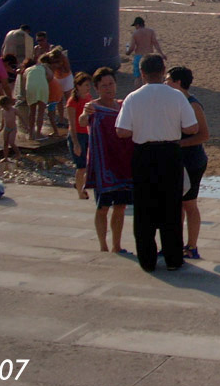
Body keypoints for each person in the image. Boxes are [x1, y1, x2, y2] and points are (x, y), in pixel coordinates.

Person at [115, 55, 198, 273]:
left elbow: (122, 131)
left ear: (142, 73)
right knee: (171, 207)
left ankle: (147, 260)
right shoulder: (177, 97)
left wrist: (142, 126)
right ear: (162, 71)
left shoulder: (132, 97)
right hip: (170, 152)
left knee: (144, 208)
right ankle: (173, 258)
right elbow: (192, 127)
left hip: (144, 153)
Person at [84, 68, 132, 254]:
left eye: (111, 84)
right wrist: (85, 114)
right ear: (97, 88)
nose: (108, 88)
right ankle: (103, 245)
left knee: (120, 206)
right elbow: (82, 121)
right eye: (104, 86)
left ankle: (116, 245)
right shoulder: (93, 107)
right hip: (103, 164)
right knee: (103, 207)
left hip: (122, 163)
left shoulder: (122, 106)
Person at [165, 66, 209, 260]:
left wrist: (180, 143)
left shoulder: (193, 104)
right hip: (175, 160)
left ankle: (191, 246)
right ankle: (174, 244)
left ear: (178, 83)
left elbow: (204, 135)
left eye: (168, 80)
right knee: (175, 205)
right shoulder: (171, 102)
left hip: (192, 161)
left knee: (189, 204)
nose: (165, 83)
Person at [67, 72, 93, 199]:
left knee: (89, 165)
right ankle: (80, 192)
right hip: (77, 135)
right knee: (81, 166)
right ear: (78, 86)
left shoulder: (88, 97)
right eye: (86, 85)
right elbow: (71, 123)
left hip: (87, 133)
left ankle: (80, 185)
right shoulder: (72, 101)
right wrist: (75, 143)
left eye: (89, 85)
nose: (88, 87)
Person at [0, 95, 21, 163]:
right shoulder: (3, 111)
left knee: (11, 142)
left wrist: (26, 126)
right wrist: (1, 128)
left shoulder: (14, 110)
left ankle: (18, 154)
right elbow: (3, 120)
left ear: (9, 104)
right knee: (5, 143)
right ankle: (5, 158)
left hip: (13, 128)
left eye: (6, 106)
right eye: (3, 107)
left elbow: (21, 117)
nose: (5, 108)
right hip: (6, 128)